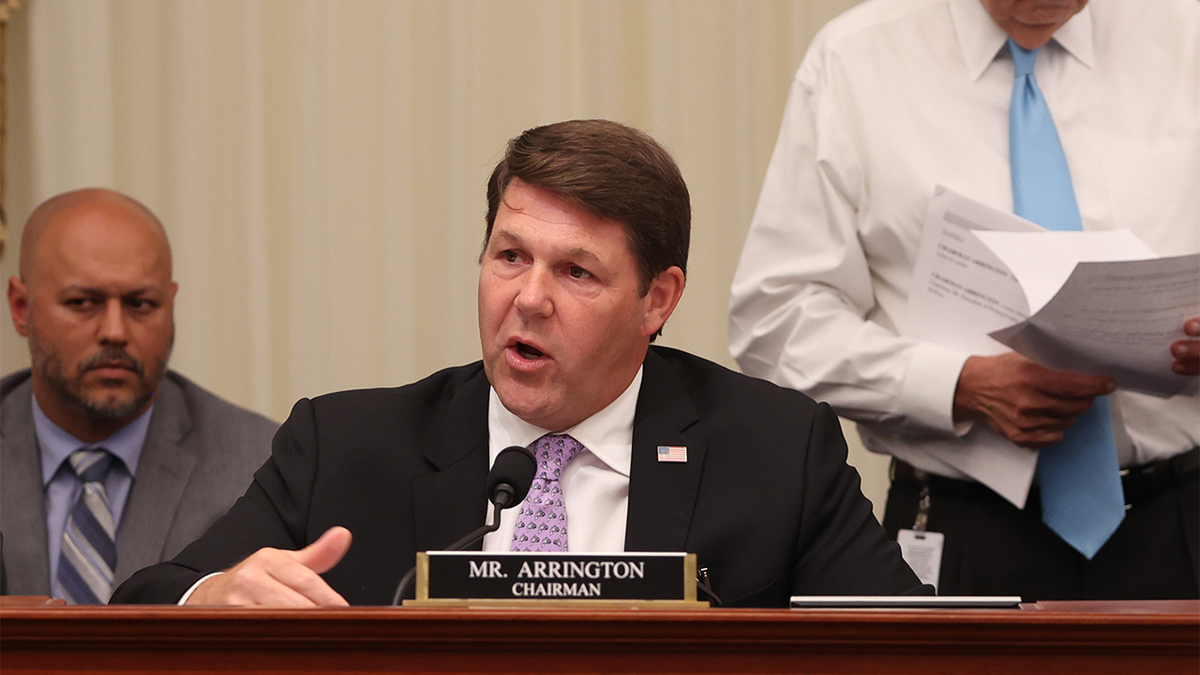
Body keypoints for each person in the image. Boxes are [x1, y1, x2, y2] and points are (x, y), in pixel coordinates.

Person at [111, 119, 923, 607]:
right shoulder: (347, 444)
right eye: (509, 255)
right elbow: (146, 600)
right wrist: (206, 594)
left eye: (576, 272)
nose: (527, 299)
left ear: (658, 298)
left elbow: (919, 646)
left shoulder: (776, 451)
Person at [729, 0, 1199, 600]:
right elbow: (775, 317)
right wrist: (956, 385)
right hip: (960, 527)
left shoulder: (1187, 36)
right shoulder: (856, 60)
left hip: (1180, 519)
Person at [1, 188, 278, 603]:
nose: (115, 331)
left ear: (171, 306)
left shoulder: (257, 462)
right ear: (22, 308)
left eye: (141, 304)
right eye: (82, 302)